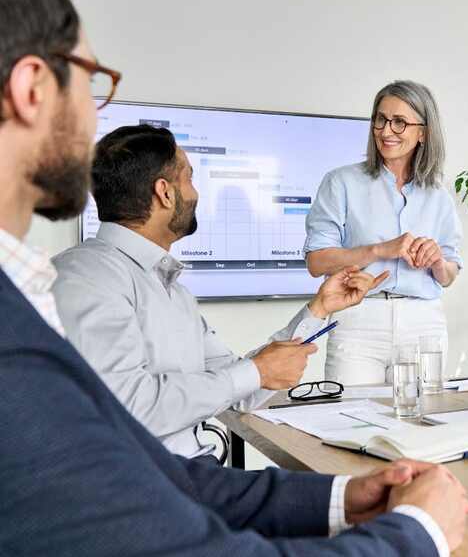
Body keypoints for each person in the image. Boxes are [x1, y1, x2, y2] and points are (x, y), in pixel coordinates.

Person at [0, 0, 468, 554]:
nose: (95, 112)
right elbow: (149, 417)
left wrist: (317, 314)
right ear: (32, 87)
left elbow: (232, 396)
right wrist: (416, 534)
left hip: (207, 477)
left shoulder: (162, 285)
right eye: (92, 81)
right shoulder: (80, 281)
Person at [51, 124, 388, 457]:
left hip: (192, 474)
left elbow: (242, 388)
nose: (196, 194)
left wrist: (318, 310)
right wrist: (255, 372)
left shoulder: (171, 291)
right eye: (190, 179)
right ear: (165, 192)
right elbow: (129, 407)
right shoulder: (86, 277)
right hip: (146, 489)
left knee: (346, 493)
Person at [304, 80, 463, 385]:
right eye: (381, 119)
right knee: (352, 425)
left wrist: (438, 263)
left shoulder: (439, 194)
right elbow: (316, 262)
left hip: (423, 324)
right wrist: (378, 250)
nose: (386, 131)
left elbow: (450, 273)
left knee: (421, 425)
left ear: (423, 133)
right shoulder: (341, 183)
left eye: (400, 122)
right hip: (360, 320)